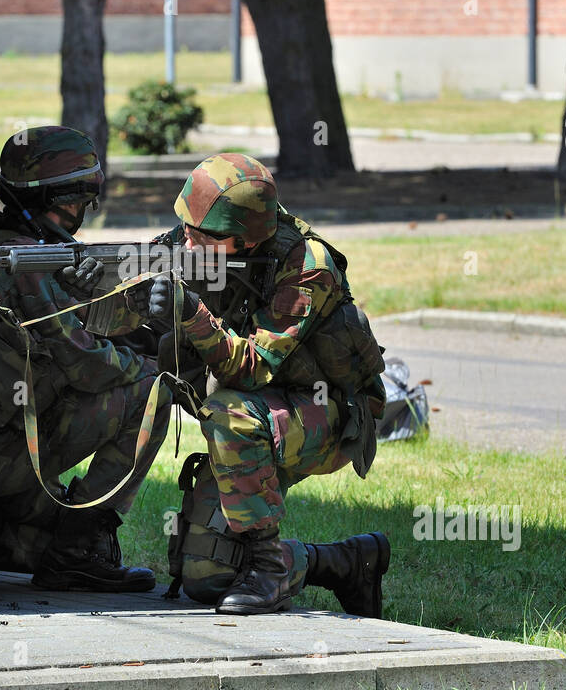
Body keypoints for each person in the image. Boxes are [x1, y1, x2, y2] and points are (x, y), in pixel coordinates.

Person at [128, 153, 393, 617]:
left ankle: (269, 566)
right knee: (206, 578)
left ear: (243, 238)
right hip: (259, 412)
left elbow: (251, 368)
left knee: (228, 411)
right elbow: (138, 289)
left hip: (330, 415)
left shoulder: (307, 268)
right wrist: (108, 300)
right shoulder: (196, 240)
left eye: (202, 237)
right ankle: (347, 562)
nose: (184, 244)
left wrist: (190, 313)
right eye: (184, 228)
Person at [0, 126, 171, 592]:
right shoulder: (26, 264)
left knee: (32, 543)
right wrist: (152, 371)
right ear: (59, 198)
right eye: (80, 202)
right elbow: (85, 363)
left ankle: (26, 537)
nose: (82, 214)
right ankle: (78, 551)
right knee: (153, 391)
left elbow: (63, 340)